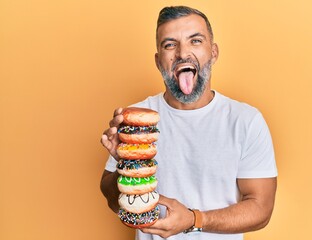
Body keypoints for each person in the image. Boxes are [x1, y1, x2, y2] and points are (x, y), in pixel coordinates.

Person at [100, 6, 277, 240]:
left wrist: (194, 220)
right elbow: (114, 201)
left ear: (213, 52)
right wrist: (126, 165)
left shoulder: (245, 121)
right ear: (158, 61)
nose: (183, 53)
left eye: (195, 41)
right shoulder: (136, 122)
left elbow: (261, 210)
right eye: (170, 44)